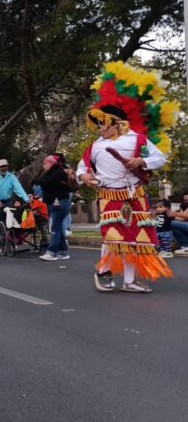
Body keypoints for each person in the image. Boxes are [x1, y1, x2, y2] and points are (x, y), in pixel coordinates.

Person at [78, 62, 177, 293]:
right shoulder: (95, 146)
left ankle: (129, 281)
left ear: (117, 123)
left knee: (135, 238)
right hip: (109, 194)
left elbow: (159, 157)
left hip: (135, 195)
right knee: (113, 236)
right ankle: (104, 271)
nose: (100, 127)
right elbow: (82, 165)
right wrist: (84, 177)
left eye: (103, 122)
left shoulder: (138, 139)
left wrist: (142, 162)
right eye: (99, 123)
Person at [32, 154, 72, 261]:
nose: (44, 166)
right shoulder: (54, 172)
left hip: (59, 203)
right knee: (57, 227)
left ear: (51, 163)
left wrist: (35, 181)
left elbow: (45, 182)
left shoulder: (57, 172)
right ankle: (62, 251)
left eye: (45, 164)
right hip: (56, 203)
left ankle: (52, 252)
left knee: (55, 227)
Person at [0, 159, 29, 229]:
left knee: (10, 223)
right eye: (1, 166)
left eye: (5, 166)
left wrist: (26, 199)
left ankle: (9, 239)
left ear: (7, 167)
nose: (3, 168)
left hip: (7, 202)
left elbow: (18, 188)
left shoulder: (12, 177)